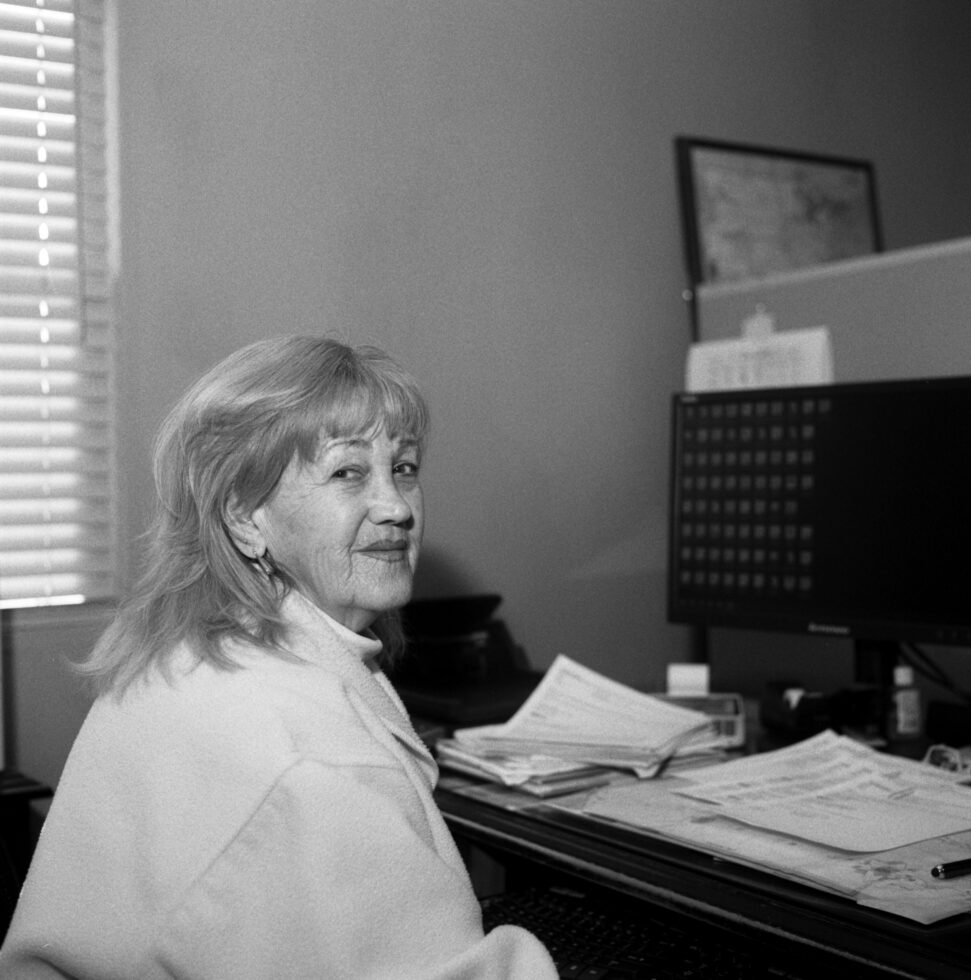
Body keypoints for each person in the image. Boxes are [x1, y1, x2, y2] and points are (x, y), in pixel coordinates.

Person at [0, 336, 557, 979]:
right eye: (347, 472)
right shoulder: (305, 755)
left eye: (404, 467)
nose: (398, 507)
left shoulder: (190, 651)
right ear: (244, 516)